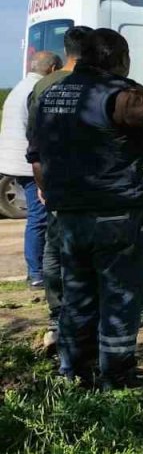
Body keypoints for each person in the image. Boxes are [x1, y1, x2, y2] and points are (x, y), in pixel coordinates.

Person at [29, 28, 143, 389]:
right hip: (116, 213)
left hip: (67, 216)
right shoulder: (123, 96)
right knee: (120, 297)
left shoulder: (50, 94)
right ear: (118, 60)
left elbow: (37, 159)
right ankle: (117, 376)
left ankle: (73, 373)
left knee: (77, 296)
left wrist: (54, 197)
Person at [26, 27, 91, 356]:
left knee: (56, 253)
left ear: (66, 51)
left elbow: (34, 143)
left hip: (55, 184)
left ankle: (58, 322)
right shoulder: (96, 84)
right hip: (92, 188)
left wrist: (43, 185)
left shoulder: (42, 87)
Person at [0, 50, 61, 288]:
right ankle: (36, 272)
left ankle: (36, 270)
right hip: (27, 163)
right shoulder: (36, 90)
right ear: (53, 69)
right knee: (39, 217)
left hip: (15, 160)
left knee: (37, 217)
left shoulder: (21, 86)